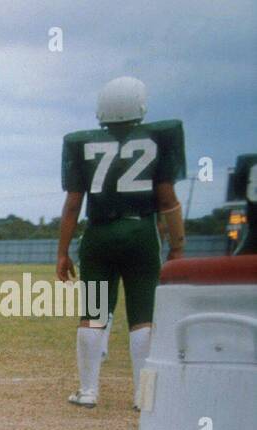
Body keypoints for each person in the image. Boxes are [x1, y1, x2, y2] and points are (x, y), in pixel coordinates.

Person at [57, 76, 186, 410]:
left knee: (94, 313)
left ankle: (88, 391)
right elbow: (168, 200)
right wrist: (178, 244)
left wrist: (61, 252)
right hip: (141, 232)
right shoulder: (157, 138)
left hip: (98, 234)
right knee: (143, 314)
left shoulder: (83, 144)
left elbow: (73, 205)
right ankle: (142, 396)